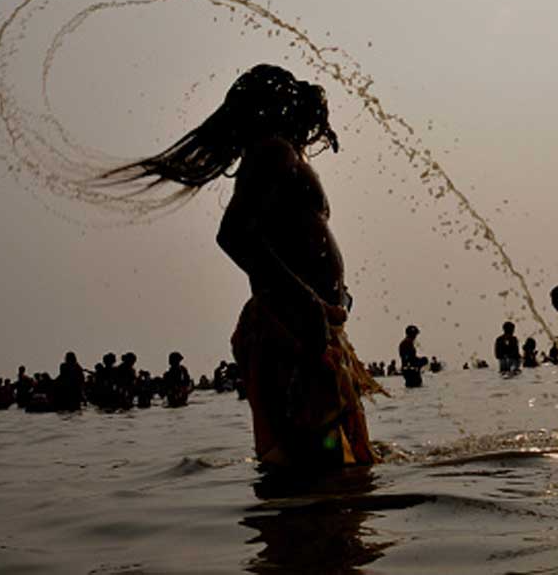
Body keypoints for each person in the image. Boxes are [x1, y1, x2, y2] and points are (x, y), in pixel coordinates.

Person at [107, 65, 380, 468]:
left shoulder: (277, 152)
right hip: (291, 326)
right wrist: (309, 303)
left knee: (332, 465)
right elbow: (234, 234)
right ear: (278, 110)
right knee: (317, 468)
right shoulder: (274, 151)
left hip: (300, 323)